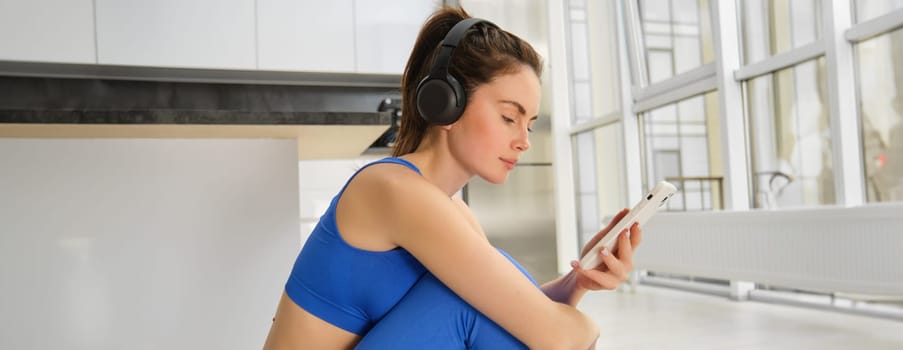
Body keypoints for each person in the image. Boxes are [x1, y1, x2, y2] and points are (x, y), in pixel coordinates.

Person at [263, 6, 642, 349]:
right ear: (446, 103)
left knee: (491, 298)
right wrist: (579, 331)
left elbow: (509, 318)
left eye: (529, 124)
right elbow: (554, 336)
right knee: (469, 302)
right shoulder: (392, 189)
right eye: (509, 118)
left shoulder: (452, 211)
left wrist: (575, 284)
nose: (524, 141)